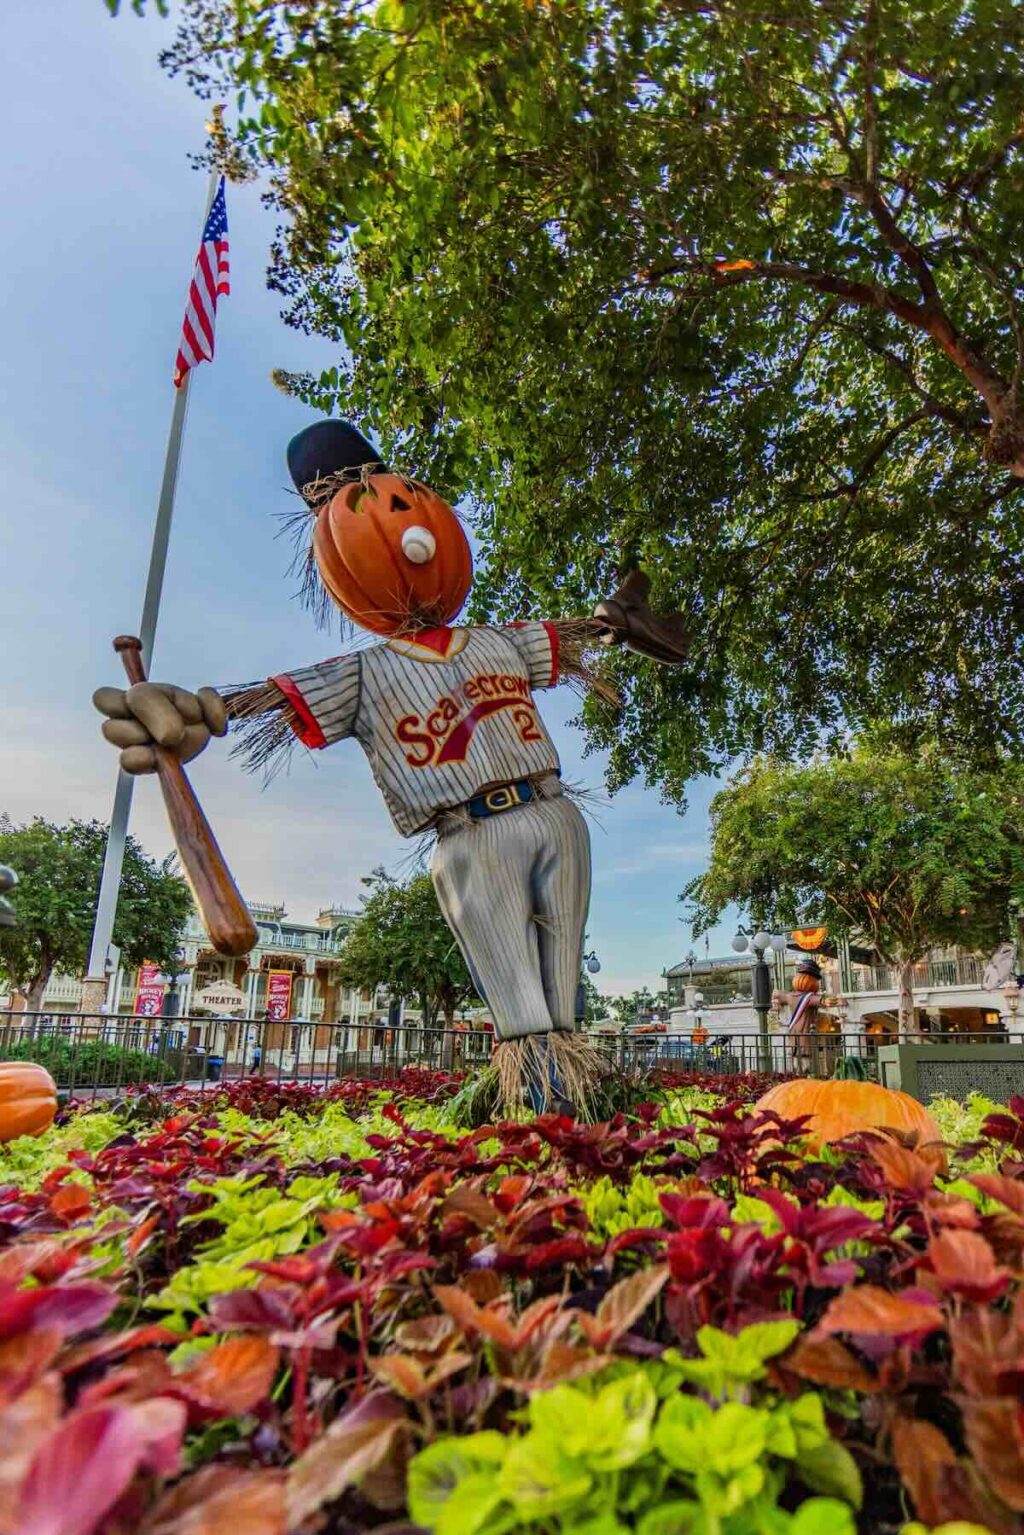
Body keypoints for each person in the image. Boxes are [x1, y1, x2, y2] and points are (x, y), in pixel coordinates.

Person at [92, 421, 686, 1114]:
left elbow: (576, 634)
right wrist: (195, 710)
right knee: (523, 1007)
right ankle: (542, 1112)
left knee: (561, 992)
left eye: (410, 501)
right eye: (365, 512)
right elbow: (256, 703)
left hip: (554, 810)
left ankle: (583, 1104)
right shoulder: (363, 673)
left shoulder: (498, 641)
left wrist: (616, 620)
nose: (406, 526)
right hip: (469, 835)